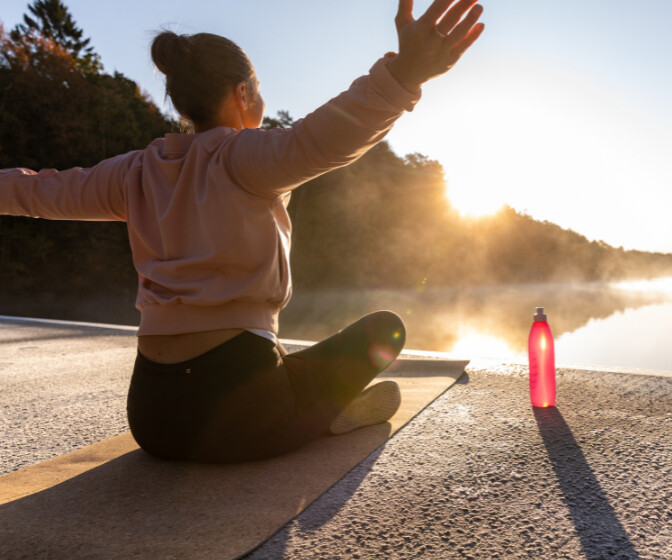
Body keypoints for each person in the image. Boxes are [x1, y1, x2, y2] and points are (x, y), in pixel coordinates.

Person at [0, 0, 484, 463]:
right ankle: (319, 414)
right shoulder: (242, 157)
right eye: (259, 88)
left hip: (153, 421)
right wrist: (405, 74)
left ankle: (312, 407)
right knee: (385, 329)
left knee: (291, 365)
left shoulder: (133, 173)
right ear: (243, 94)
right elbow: (327, 138)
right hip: (246, 420)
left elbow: (38, 191)